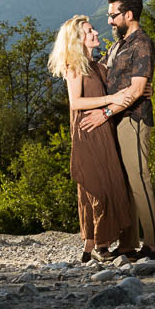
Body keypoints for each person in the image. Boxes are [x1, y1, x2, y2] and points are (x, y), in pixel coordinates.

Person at [79, 0, 155, 260]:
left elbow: (137, 90)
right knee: (124, 184)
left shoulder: (142, 44)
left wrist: (104, 113)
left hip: (133, 119)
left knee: (139, 180)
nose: (110, 21)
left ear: (129, 14)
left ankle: (151, 247)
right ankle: (127, 246)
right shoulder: (117, 45)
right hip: (115, 120)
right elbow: (101, 75)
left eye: (113, 15)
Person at [47, 15, 135, 262]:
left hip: (102, 129)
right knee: (99, 188)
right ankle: (101, 245)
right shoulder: (74, 66)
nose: (95, 32)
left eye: (93, 29)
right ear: (77, 40)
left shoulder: (97, 65)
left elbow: (119, 86)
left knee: (98, 189)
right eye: (88, 31)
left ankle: (89, 248)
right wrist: (112, 99)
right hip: (87, 132)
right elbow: (77, 102)